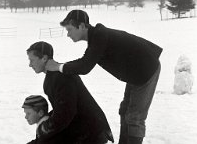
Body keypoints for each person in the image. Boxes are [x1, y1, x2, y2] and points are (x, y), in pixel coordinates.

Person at [45, 10, 163, 144]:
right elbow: (85, 61)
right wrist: (61, 66)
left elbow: (85, 66)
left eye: (70, 29)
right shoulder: (97, 37)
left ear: (82, 26)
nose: (68, 34)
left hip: (146, 69)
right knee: (125, 110)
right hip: (136, 70)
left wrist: (58, 67)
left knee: (134, 117)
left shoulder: (100, 36)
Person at [26, 41, 114, 144]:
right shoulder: (51, 79)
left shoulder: (61, 77)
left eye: (32, 60)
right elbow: (62, 110)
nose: (30, 65)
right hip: (79, 126)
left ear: (44, 58)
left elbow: (66, 113)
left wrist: (45, 129)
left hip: (91, 131)